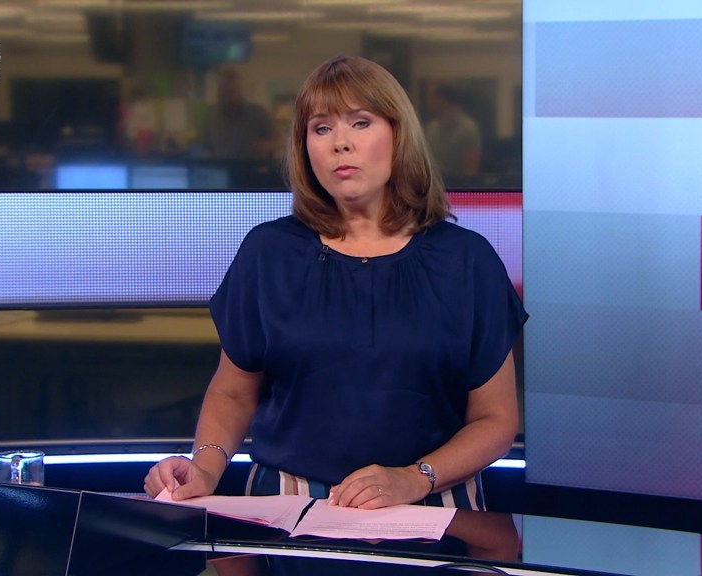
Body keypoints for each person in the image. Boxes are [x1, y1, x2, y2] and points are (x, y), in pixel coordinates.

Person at [145, 55, 527, 511]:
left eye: (360, 123)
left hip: (431, 505)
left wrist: (414, 478)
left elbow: (495, 419)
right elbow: (232, 391)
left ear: (398, 134)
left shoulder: (467, 260)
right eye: (321, 128)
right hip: (286, 507)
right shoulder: (269, 252)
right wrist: (205, 466)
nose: (340, 143)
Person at [201, 66, 280, 160]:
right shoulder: (212, 115)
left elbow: (279, 141)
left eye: (232, 90)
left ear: (239, 89)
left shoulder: (258, 113)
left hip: (251, 167)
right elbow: (207, 146)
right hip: (222, 167)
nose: (229, 94)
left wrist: (266, 146)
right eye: (225, 89)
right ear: (219, 91)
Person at [424, 82, 482, 180]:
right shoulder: (431, 128)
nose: (428, 102)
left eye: (432, 98)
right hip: (431, 185)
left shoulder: (467, 129)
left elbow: (470, 171)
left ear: (443, 100)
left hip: (457, 187)